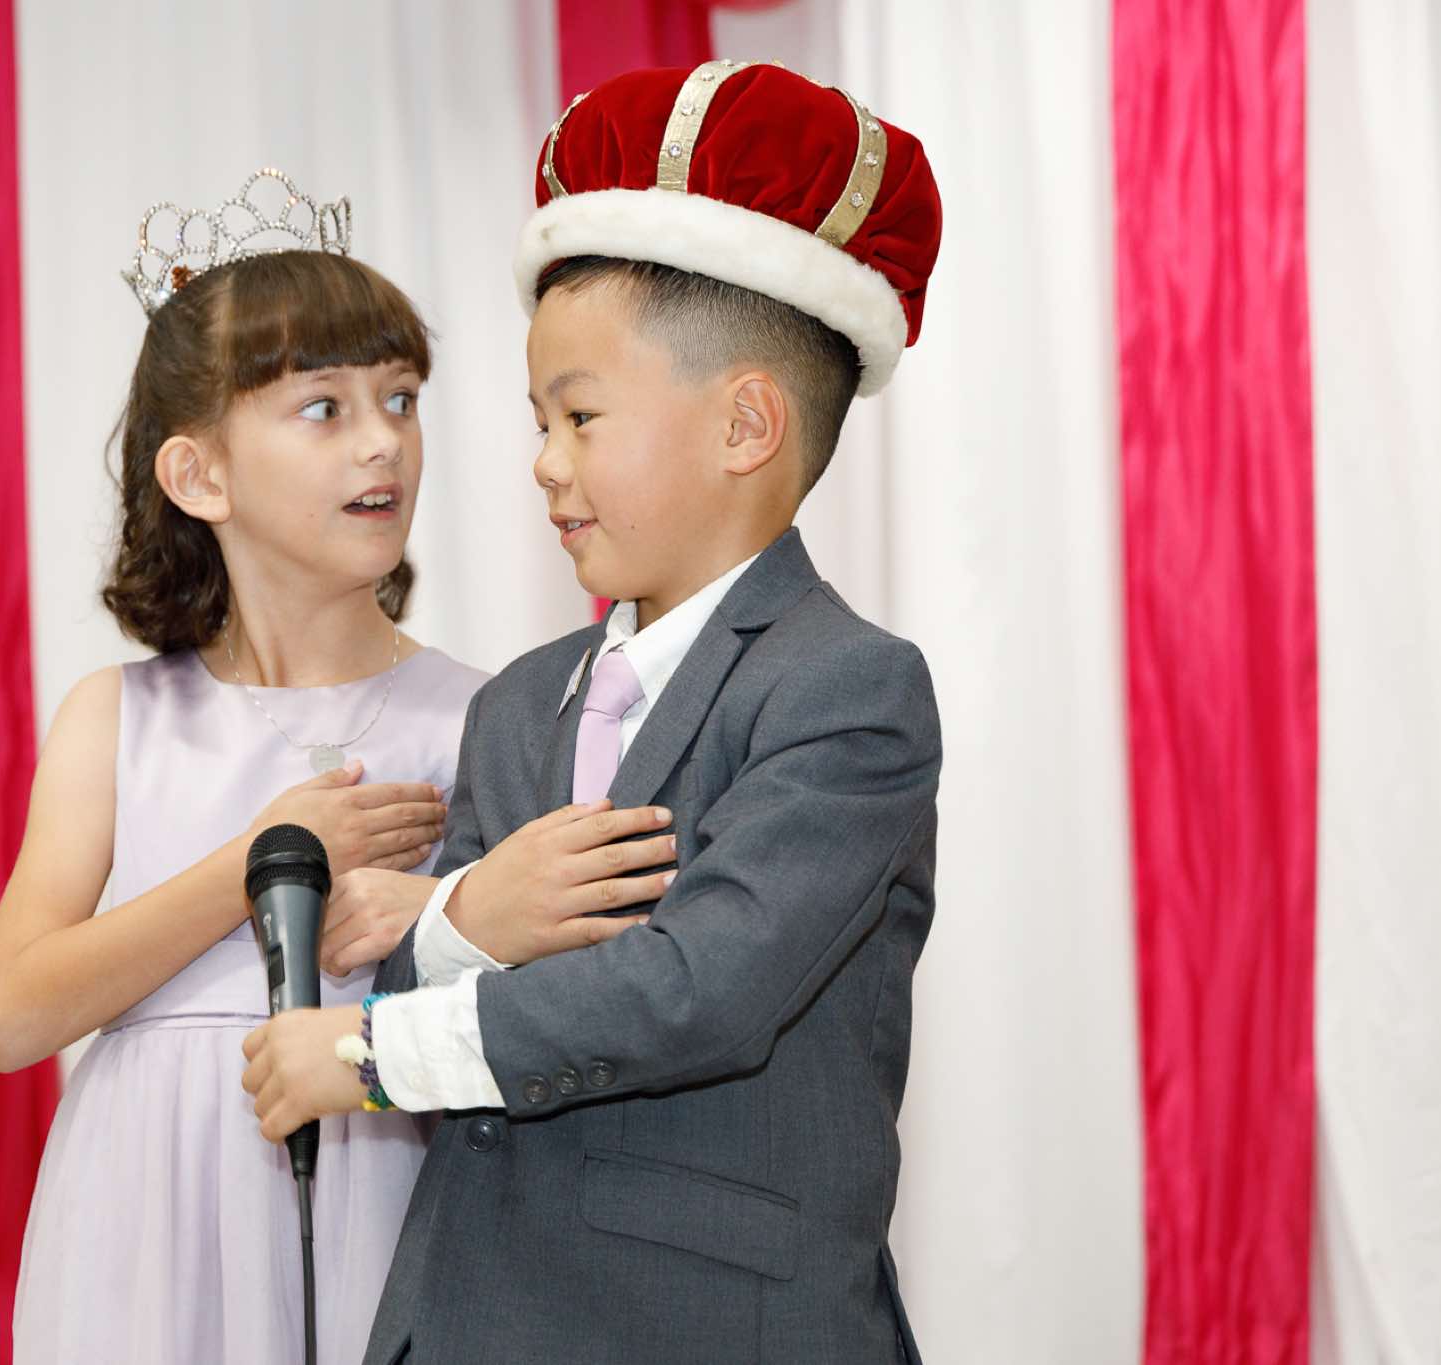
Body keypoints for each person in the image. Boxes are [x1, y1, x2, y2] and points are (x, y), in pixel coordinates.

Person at [240, 62, 945, 1362]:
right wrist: (463, 918)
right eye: (537, 421)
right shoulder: (519, 702)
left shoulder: (844, 688)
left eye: (580, 417)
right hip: (470, 1317)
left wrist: (376, 1055)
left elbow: (705, 987)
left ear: (744, 424)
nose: (543, 463)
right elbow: (414, 965)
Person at [0, 177, 481, 1363]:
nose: (381, 440)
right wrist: (257, 863)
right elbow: (10, 1015)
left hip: (388, 1197)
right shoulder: (118, 718)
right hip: (141, 1230)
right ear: (199, 476)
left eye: (399, 398)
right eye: (322, 407)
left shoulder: (476, 716)